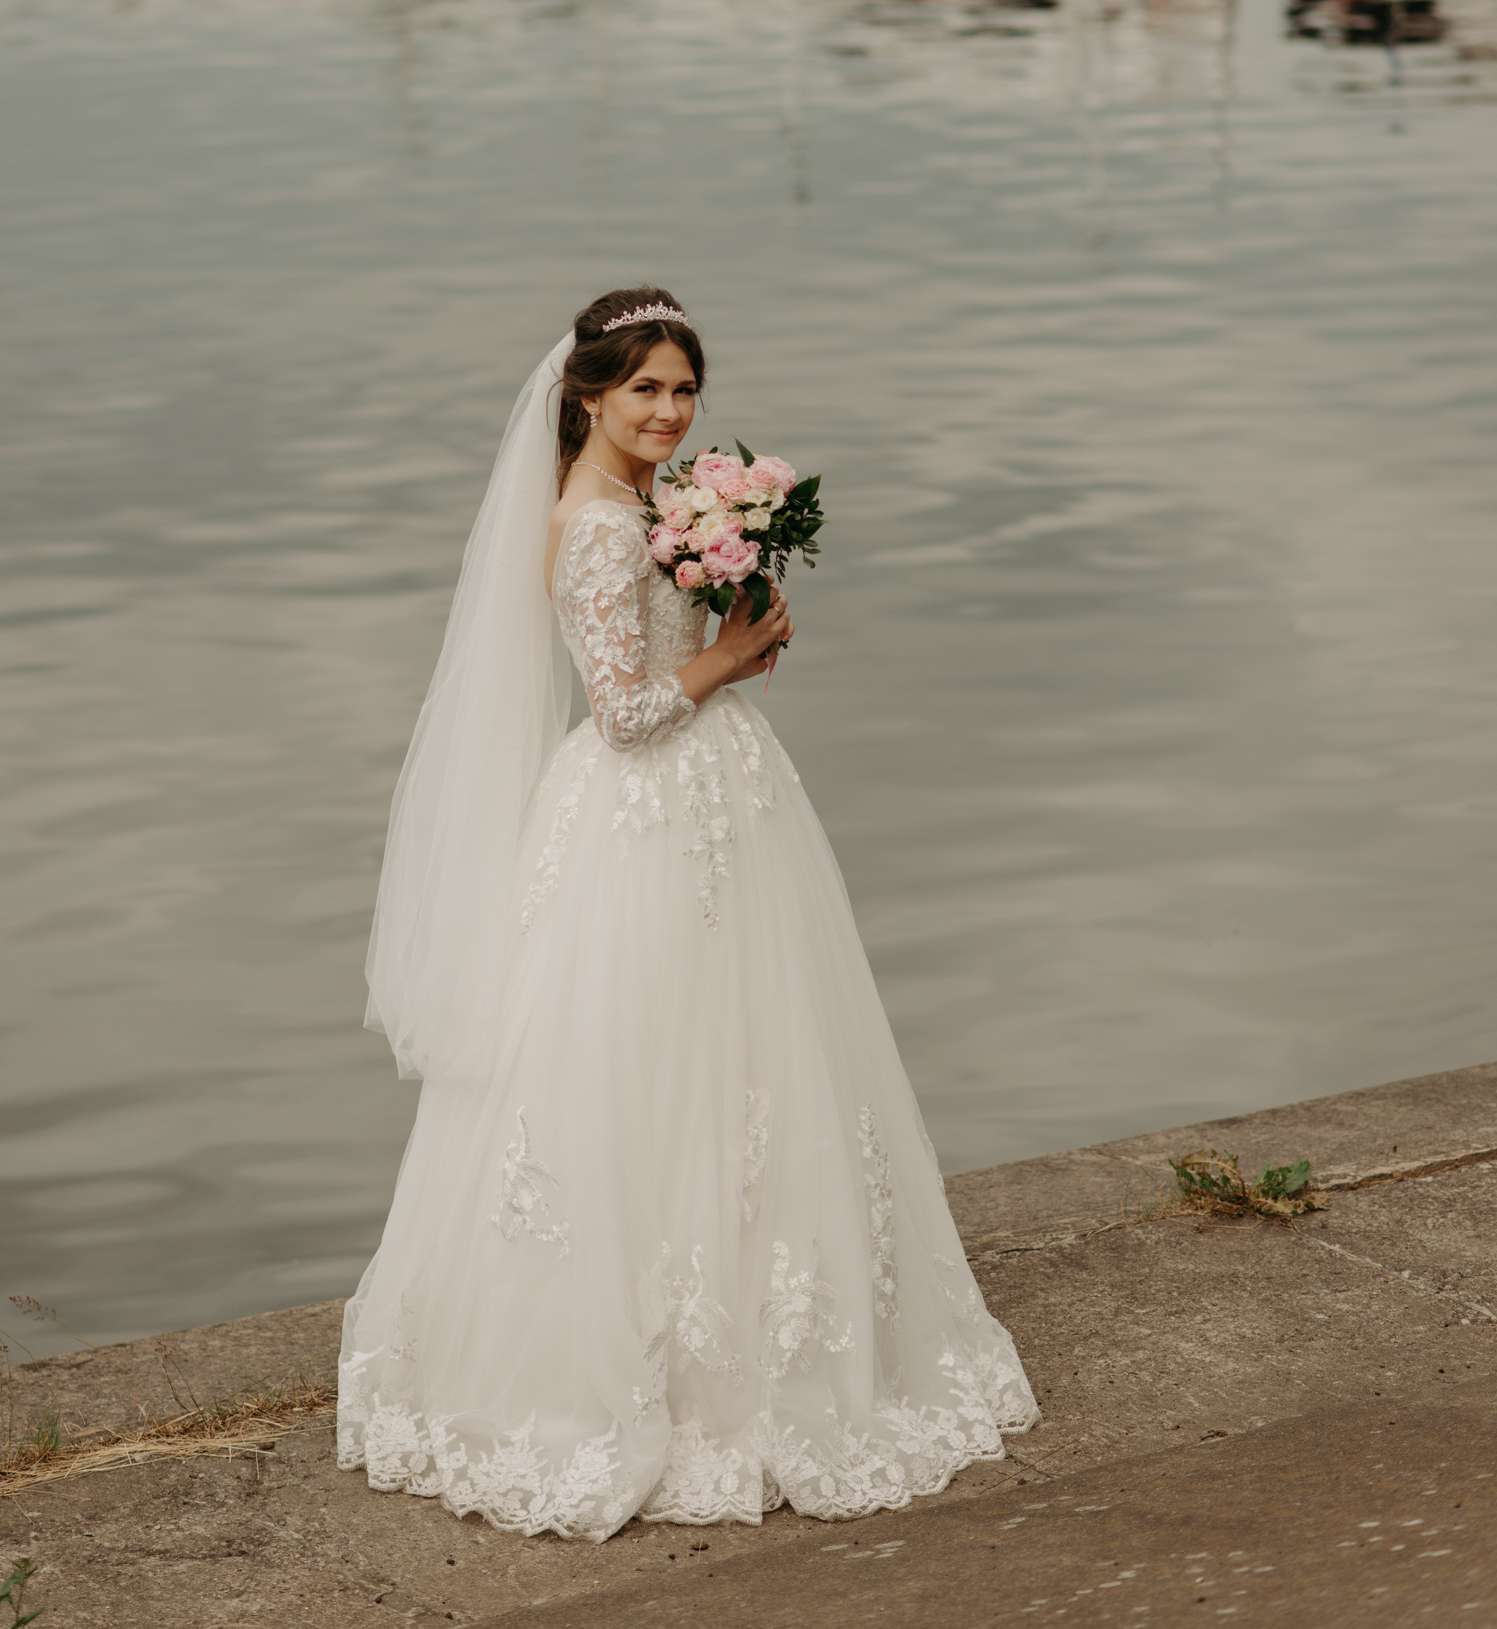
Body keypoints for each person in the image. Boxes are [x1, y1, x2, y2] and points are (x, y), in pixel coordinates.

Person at [338, 286, 1037, 1539]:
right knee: (662, 1068)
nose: (669, 410)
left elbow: (661, 663)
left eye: (683, 389)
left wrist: (726, 615)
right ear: (589, 397)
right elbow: (622, 709)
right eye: (645, 389)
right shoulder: (599, 528)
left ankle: (736, 1339)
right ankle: (672, 1376)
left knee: (730, 1063)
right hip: (644, 812)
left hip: (704, 797)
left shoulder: (646, 506)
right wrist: (725, 660)